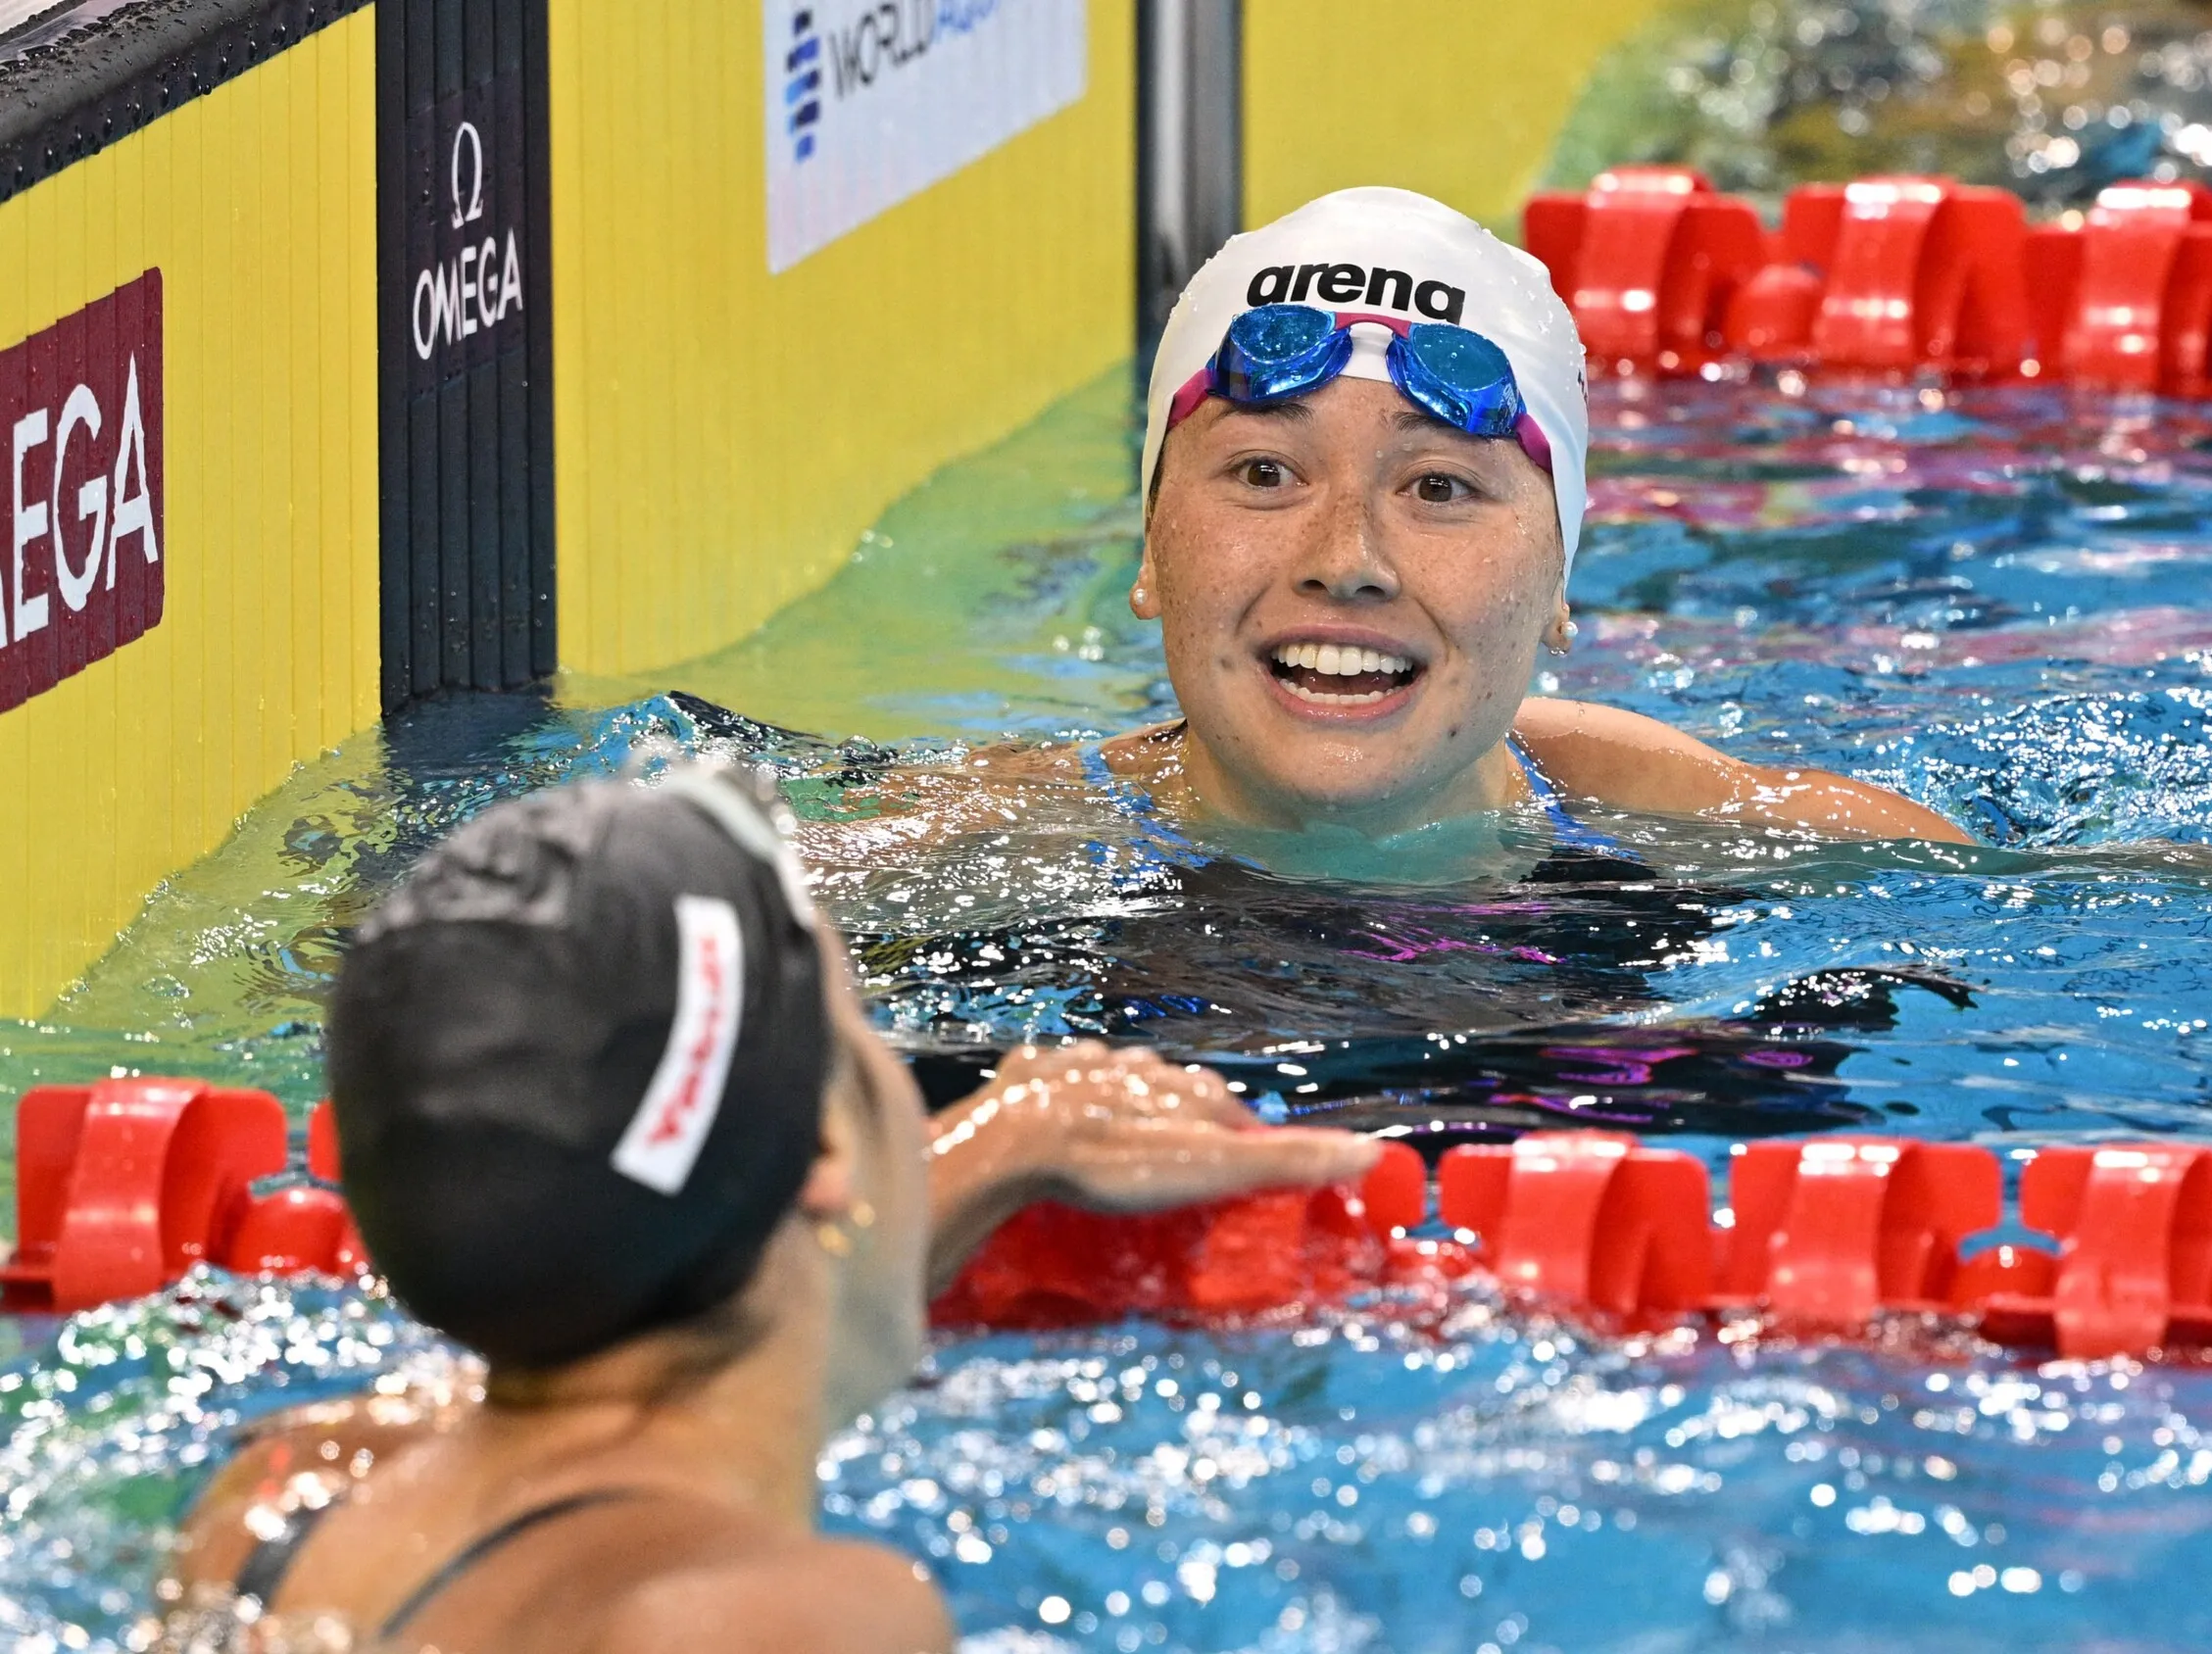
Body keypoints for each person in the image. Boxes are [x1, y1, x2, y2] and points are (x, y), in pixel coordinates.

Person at [156, 769, 1377, 1653]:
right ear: (832, 1141)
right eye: (864, 1036)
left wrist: (1012, 1138)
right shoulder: (781, 1620)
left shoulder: (281, 1498)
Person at [894, 185, 1968, 858]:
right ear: (1149, 553)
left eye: (1440, 487)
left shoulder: (1790, 850)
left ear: (1559, 583)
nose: (1344, 561)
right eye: (1266, 471)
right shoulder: (950, 855)